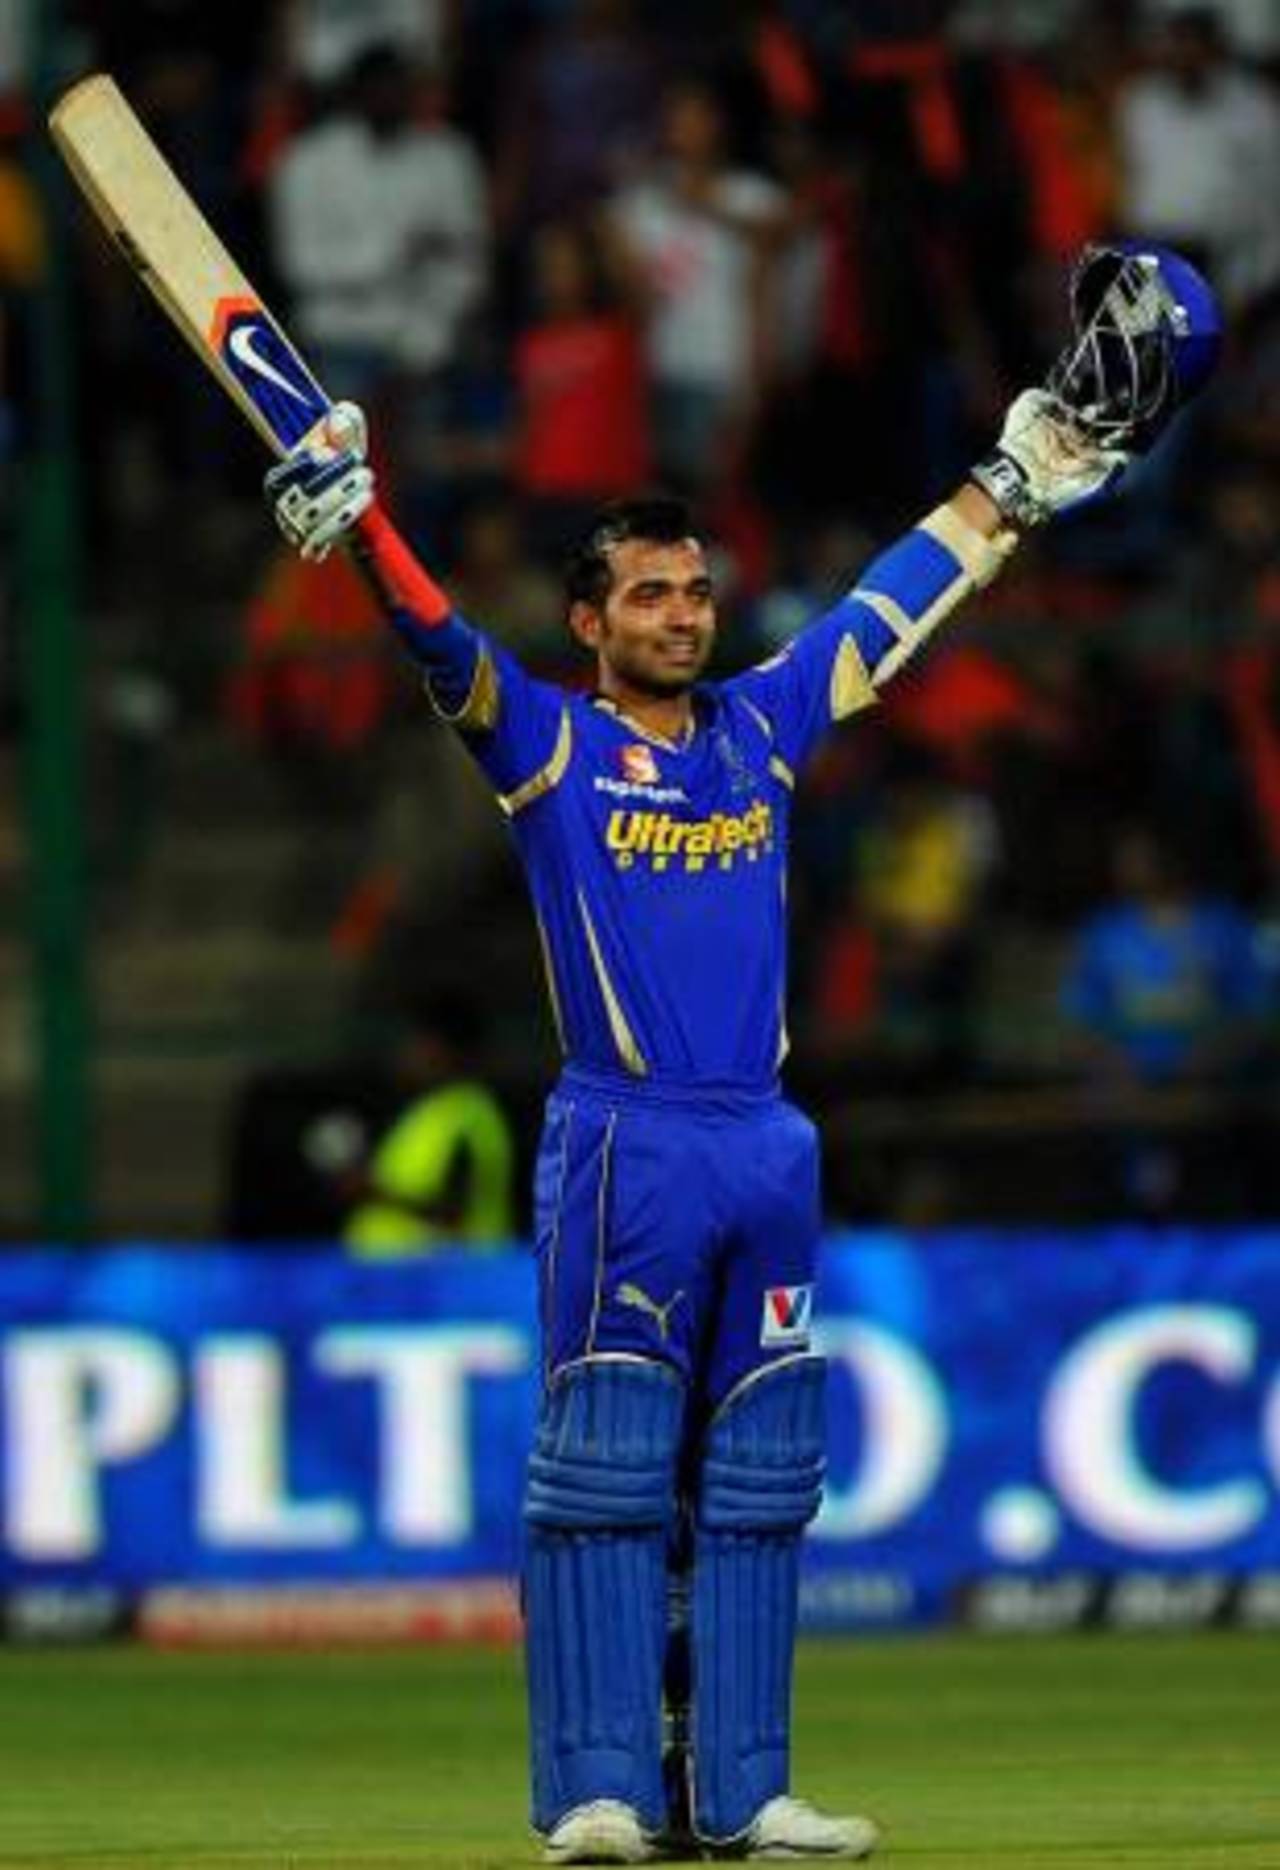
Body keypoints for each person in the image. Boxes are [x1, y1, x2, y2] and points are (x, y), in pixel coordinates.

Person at [261, 243, 1219, 1861]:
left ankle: (746, 1788)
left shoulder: (762, 727)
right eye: (649, 593)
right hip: (626, 1139)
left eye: (696, 589)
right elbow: (438, 652)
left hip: (764, 1140)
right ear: (588, 622)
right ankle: (595, 1792)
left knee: (768, 1464)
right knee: (607, 1465)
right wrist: (359, 530)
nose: (684, 613)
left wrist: (1021, 477)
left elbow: (881, 612)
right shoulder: (545, 742)